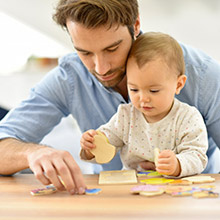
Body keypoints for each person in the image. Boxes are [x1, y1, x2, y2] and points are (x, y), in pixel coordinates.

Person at [0, 0, 219, 194]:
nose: (100, 68)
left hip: (188, 203)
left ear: (135, 25)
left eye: (112, 49)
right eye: (84, 52)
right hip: (112, 201)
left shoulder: (202, 74)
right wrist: (33, 153)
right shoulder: (70, 78)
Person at [80, 32, 208, 178]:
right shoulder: (126, 115)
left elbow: (197, 156)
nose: (143, 99)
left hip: (173, 190)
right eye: (134, 89)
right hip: (132, 188)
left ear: (178, 84)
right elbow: (105, 143)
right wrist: (91, 146)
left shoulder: (188, 117)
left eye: (153, 91)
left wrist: (178, 164)